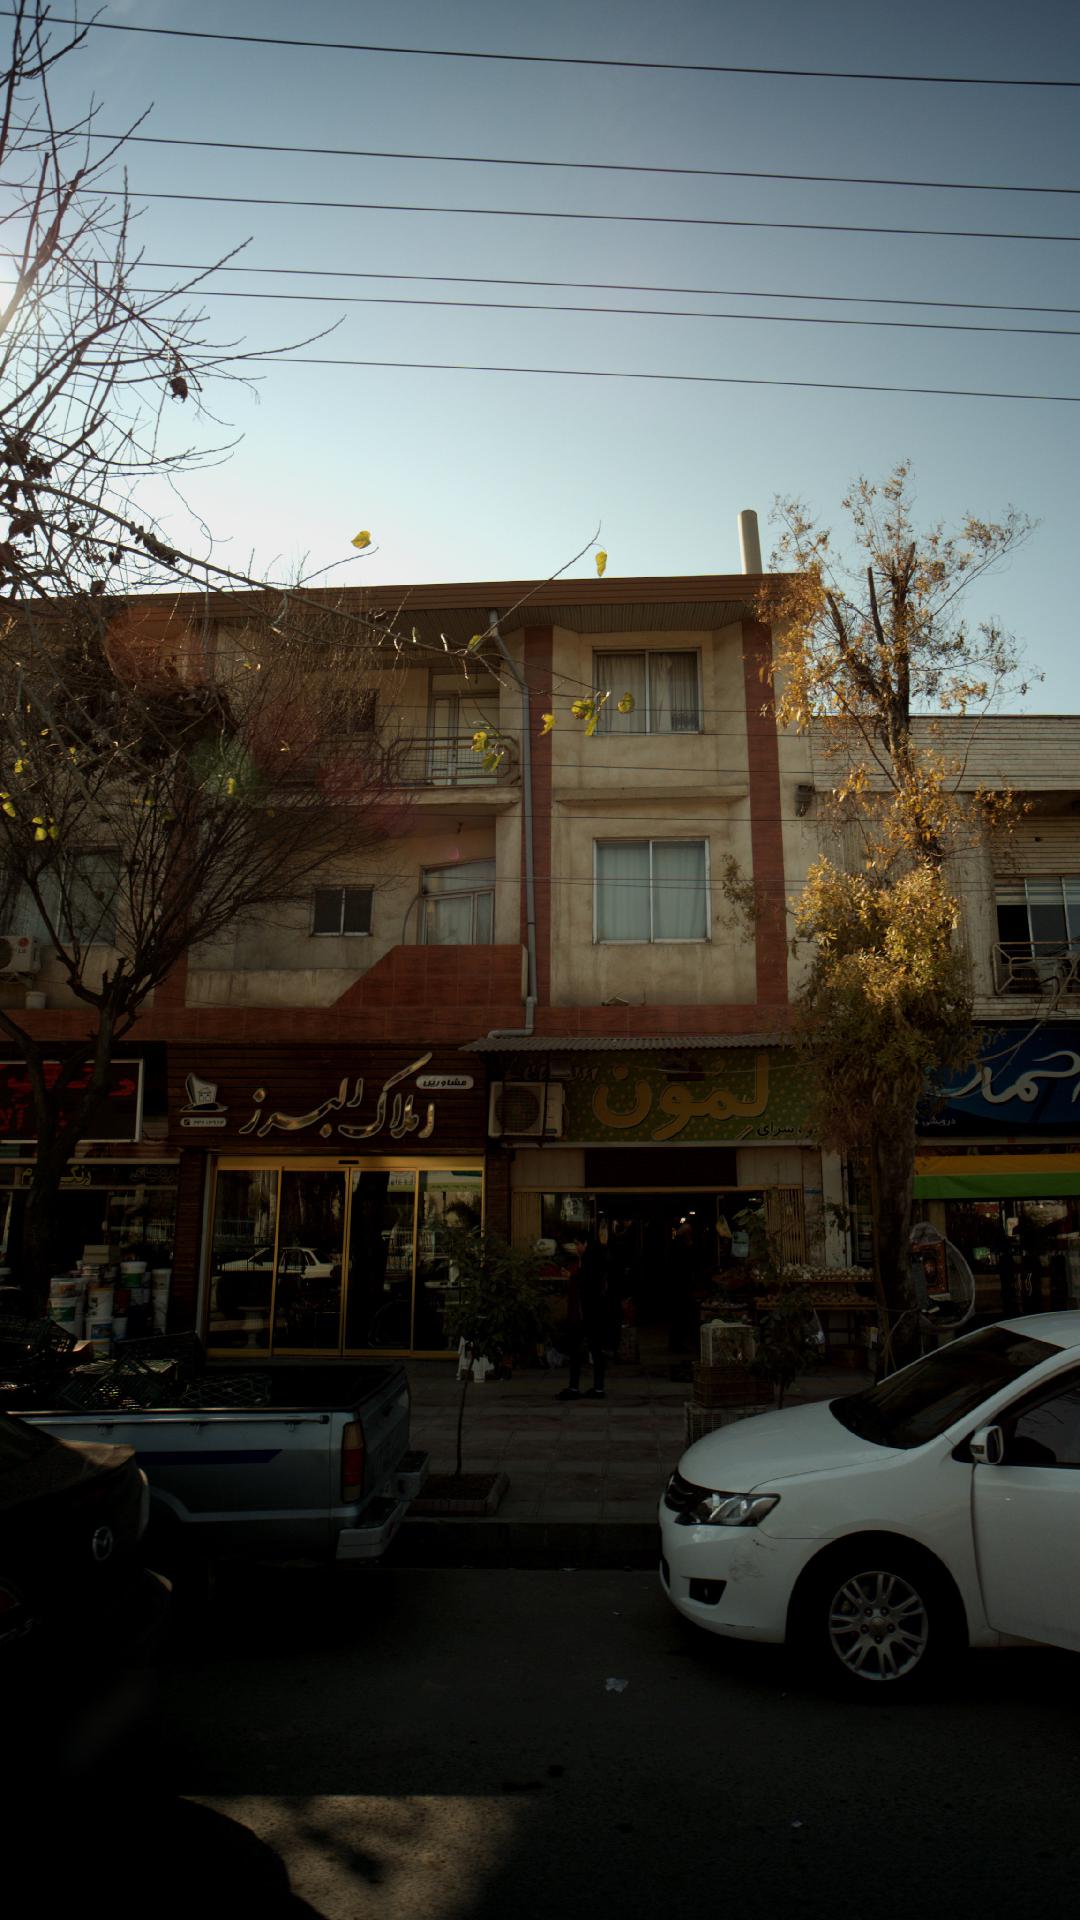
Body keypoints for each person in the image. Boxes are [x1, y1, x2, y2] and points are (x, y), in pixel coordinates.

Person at [557, 1235, 617, 1401]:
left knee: (576, 1350)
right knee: (596, 1351)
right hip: (597, 1315)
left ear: (586, 1244)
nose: (576, 1248)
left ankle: (575, 1387)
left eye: (578, 1244)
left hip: (586, 1315)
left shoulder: (590, 1261)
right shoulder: (599, 1259)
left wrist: (572, 1277)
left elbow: (587, 1284)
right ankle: (598, 1388)